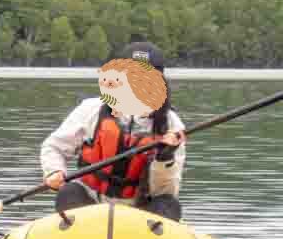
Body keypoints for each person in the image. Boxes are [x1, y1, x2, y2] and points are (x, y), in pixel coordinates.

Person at [40, 41, 187, 221]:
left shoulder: (171, 125)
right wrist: (54, 171)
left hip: (141, 210)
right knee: (69, 193)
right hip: (91, 203)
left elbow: (165, 191)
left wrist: (165, 158)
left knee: (168, 204)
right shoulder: (91, 109)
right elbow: (54, 148)